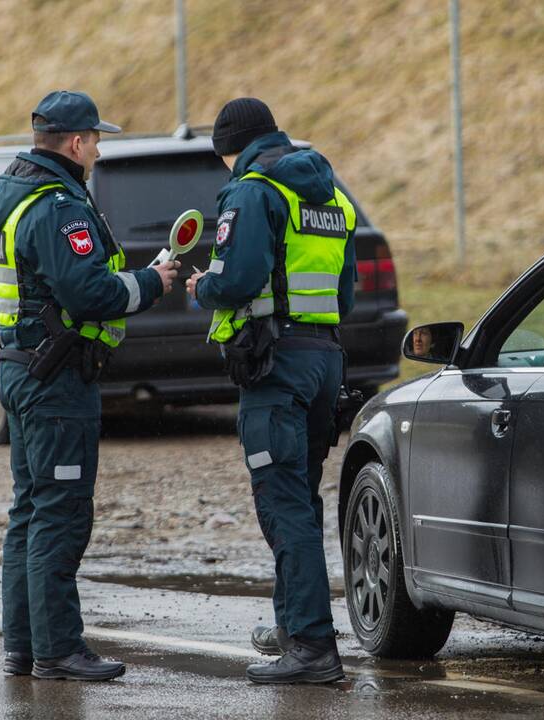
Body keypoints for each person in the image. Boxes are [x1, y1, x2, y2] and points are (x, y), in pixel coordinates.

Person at [0, 90, 179, 681]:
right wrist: (152, 281)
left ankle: (25, 646)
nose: (97, 149)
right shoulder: (58, 206)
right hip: (56, 380)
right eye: (95, 139)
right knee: (60, 516)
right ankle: (59, 650)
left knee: (30, 513)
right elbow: (88, 291)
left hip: (21, 368)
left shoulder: (10, 192)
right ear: (74, 142)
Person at [186, 97, 356, 684]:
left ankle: (312, 647)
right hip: (324, 358)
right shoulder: (330, 193)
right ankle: (293, 627)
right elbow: (348, 293)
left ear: (226, 149)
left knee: (283, 506)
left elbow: (238, 279)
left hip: (275, 366)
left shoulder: (252, 190)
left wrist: (204, 286)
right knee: (300, 498)